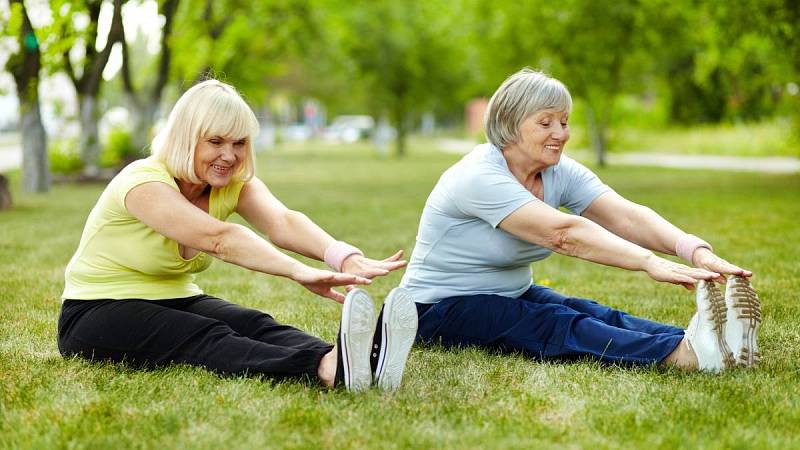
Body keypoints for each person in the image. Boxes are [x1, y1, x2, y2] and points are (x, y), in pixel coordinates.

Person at [58, 79, 418, 391]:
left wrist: (342, 256)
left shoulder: (232, 183)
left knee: (254, 324)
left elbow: (283, 221)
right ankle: (324, 369)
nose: (229, 156)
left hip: (174, 297)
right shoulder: (142, 182)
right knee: (207, 338)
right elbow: (219, 238)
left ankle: (355, 360)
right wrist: (297, 271)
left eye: (239, 143)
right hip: (96, 310)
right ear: (187, 138)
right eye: (216, 141)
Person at [400, 68, 761, 372]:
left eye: (564, 122)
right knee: (554, 323)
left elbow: (625, 215)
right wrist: (648, 262)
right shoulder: (478, 176)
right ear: (509, 124)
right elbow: (563, 234)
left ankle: (706, 341)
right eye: (546, 122)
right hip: (434, 310)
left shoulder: (558, 171)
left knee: (589, 312)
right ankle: (680, 356)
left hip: (507, 292)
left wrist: (693, 250)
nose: (561, 133)